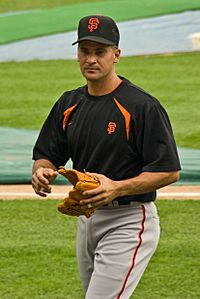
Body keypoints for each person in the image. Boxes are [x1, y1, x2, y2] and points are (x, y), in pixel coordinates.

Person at [32, 15, 181, 298]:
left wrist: (117, 186)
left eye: (100, 52)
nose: (91, 59)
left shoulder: (141, 106)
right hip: (86, 220)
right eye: (84, 51)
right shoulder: (69, 103)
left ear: (116, 55)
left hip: (127, 220)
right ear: (77, 54)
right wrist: (41, 171)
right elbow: (46, 155)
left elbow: (169, 170)